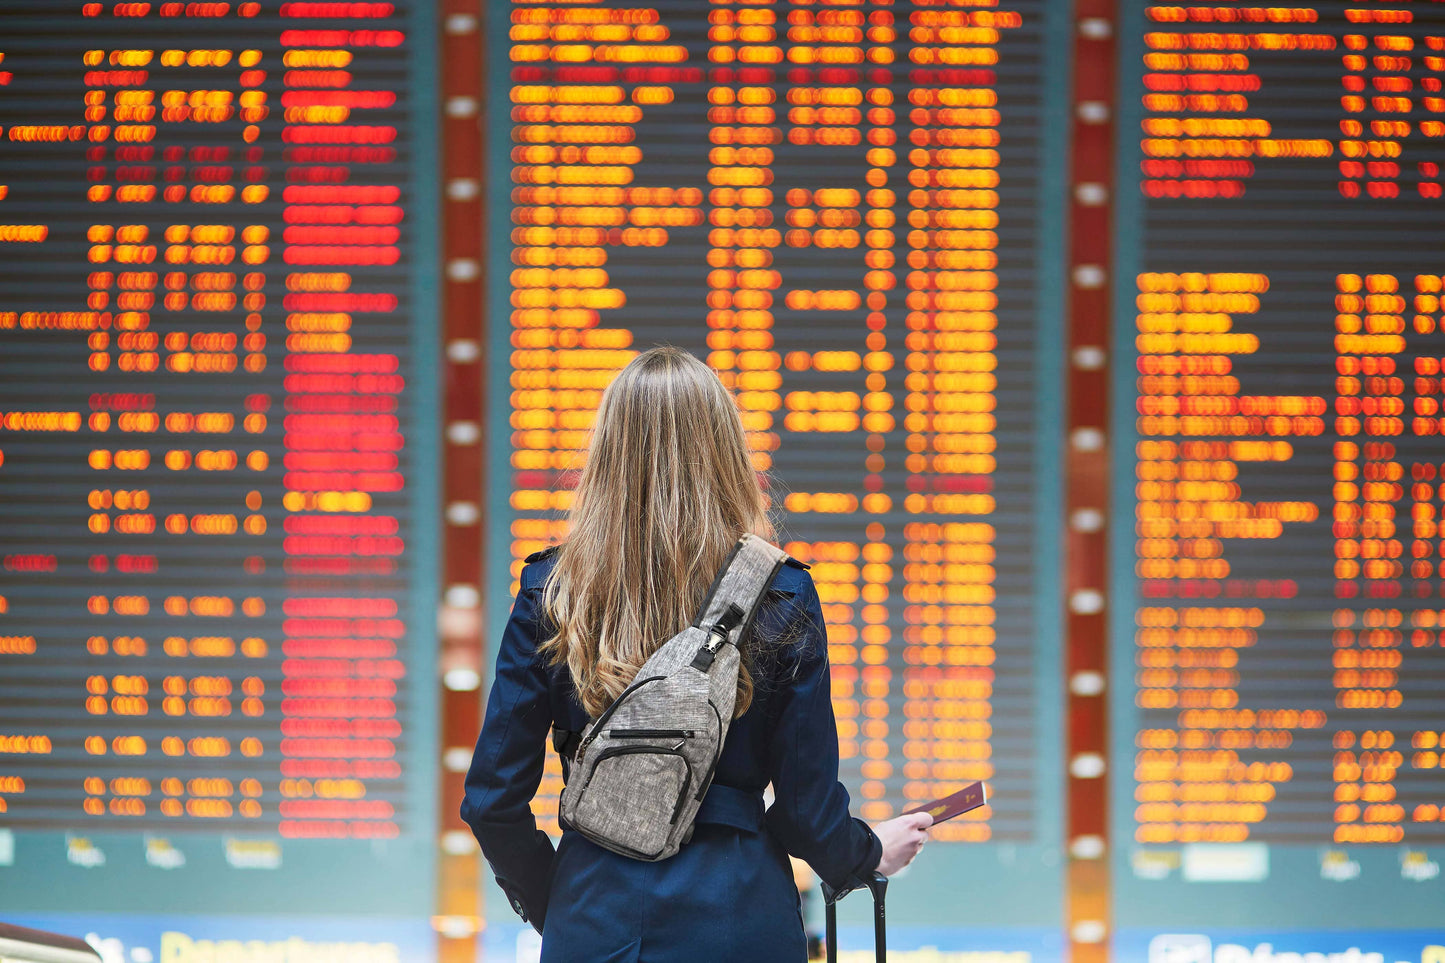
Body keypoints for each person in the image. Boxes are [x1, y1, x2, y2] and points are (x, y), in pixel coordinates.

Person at [461, 346, 932, 962]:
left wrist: (563, 904)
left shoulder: (554, 588)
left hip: (593, 917)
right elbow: (802, 810)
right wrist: (867, 852)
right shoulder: (781, 592)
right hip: (739, 920)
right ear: (726, 452)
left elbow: (492, 800)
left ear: (605, 455)